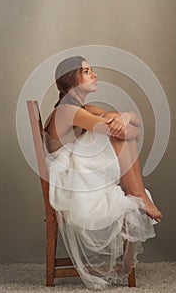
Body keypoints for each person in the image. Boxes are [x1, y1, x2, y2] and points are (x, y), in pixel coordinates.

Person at [43, 56, 163, 290]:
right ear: (72, 79)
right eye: (87, 71)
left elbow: (134, 124)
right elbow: (121, 131)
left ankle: (138, 193)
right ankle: (138, 193)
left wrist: (125, 117)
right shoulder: (67, 110)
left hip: (78, 172)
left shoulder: (82, 108)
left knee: (122, 132)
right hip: (69, 180)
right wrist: (123, 122)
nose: (94, 74)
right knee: (118, 135)